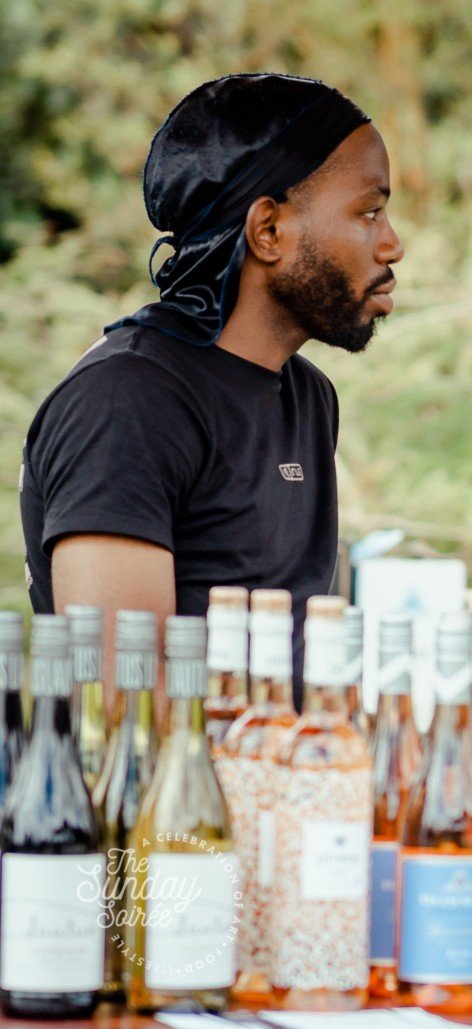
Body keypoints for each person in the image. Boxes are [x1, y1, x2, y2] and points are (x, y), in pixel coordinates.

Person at [20, 73, 402, 671]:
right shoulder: (128, 401)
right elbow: (123, 698)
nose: (392, 245)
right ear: (268, 231)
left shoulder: (307, 396)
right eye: (370, 213)